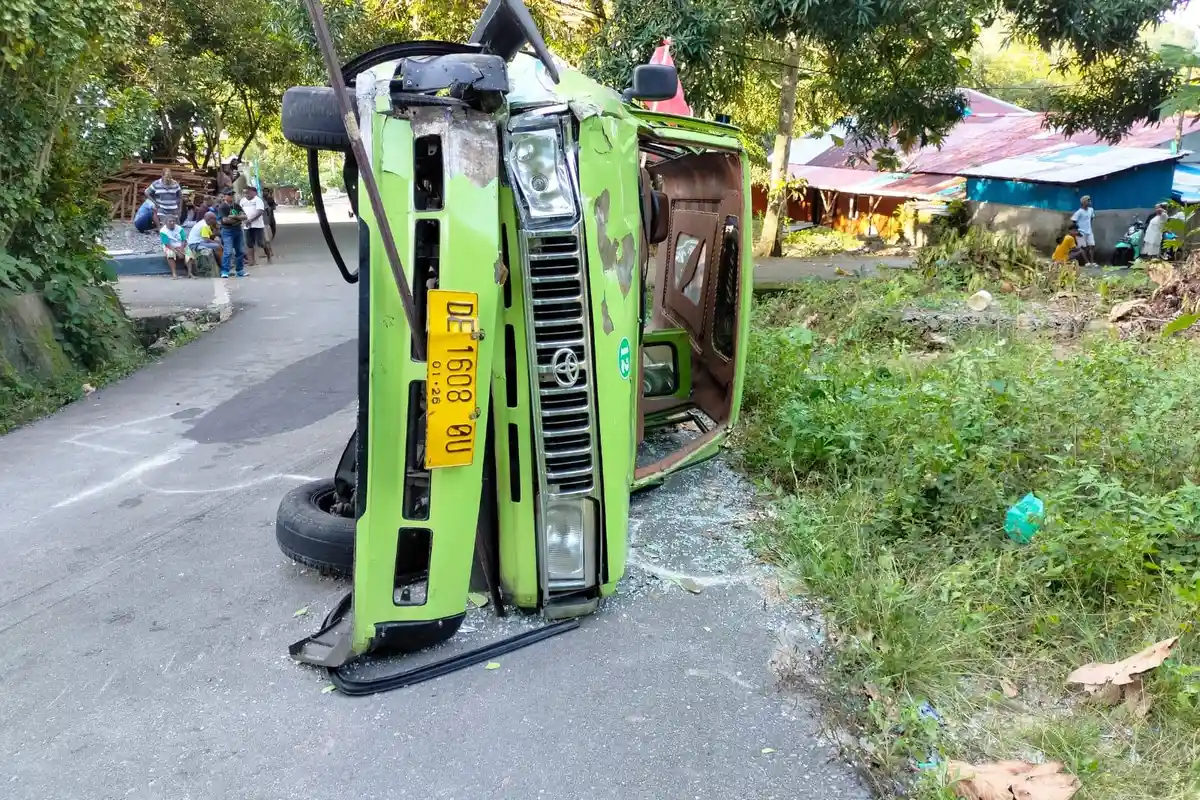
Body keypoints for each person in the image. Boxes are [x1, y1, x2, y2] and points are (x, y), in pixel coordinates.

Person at [217, 190, 247, 278]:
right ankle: (225, 271)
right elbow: (225, 220)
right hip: (227, 230)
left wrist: (234, 217)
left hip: (237, 229)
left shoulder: (236, 206)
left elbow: (245, 216)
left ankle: (240, 270)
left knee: (240, 251)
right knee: (228, 251)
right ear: (225, 196)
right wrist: (238, 219)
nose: (231, 196)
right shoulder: (222, 207)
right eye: (229, 195)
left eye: (232, 195)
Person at [240, 185, 273, 266]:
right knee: (249, 244)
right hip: (247, 225)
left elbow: (260, 212)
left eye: (247, 193)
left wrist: (250, 220)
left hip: (257, 225)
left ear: (252, 192)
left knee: (261, 243)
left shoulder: (258, 200)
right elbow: (240, 211)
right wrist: (243, 218)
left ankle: (269, 256)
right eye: (244, 193)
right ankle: (252, 261)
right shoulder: (242, 201)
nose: (246, 195)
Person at [187, 210, 222, 275]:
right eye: (214, 219)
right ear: (210, 219)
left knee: (217, 242)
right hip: (196, 244)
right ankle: (222, 266)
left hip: (199, 242)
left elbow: (210, 236)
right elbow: (206, 240)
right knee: (218, 246)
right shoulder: (204, 226)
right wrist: (217, 243)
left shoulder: (203, 223)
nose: (215, 221)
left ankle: (220, 264)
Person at [1071, 196, 1096, 265]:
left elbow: (1091, 218)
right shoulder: (1079, 212)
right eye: (1088, 200)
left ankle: (1092, 262)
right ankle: (1086, 262)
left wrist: (1089, 226)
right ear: (1083, 202)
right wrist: (1077, 231)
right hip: (1081, 232)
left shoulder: (1091, 210)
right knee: (1082, 247)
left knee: (1092, 246)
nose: (1089, 201)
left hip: (1089, 231)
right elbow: (1074, 220)